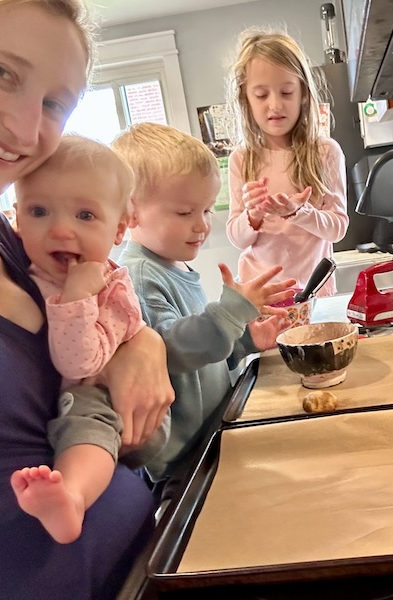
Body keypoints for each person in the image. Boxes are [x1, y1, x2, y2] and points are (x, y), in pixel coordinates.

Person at [0, 2, 174, 599]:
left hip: (147, 563)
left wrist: (145, 343)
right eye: (1, 71)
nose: (25, 127)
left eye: (55, 103)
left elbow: (91, 316)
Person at [112, 122, 294, 494]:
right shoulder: (139, 277)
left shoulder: (176, 265)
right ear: (130, 214)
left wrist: (243, 341)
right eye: (183, 213)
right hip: (183, 463)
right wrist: (228, 314)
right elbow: (173, 353)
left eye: (208, 210)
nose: (201, 225)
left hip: (211, 434)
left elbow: (201, 362)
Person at [11, 134, 170, 544]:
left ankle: (73, 497)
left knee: (86, 419)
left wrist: (78, 296)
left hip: (104, 399)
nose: (61, 230)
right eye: (39, 211)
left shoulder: (104, 284)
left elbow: (78, 363)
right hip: (92, 400)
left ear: (118, 230)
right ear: (16, 219)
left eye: (84, 216)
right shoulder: (19, 265)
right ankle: (71, 496)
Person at [225, 29, 349, 297]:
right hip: (260, 295)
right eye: (261, 95)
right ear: (245, 100)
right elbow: (237, 238)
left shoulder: (325, 151)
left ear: (303, 93)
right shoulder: (241, 159)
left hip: (314, 292)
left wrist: (297, 213)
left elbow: (338, 228)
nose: (275, 104)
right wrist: (253, 216)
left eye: (286, 91)